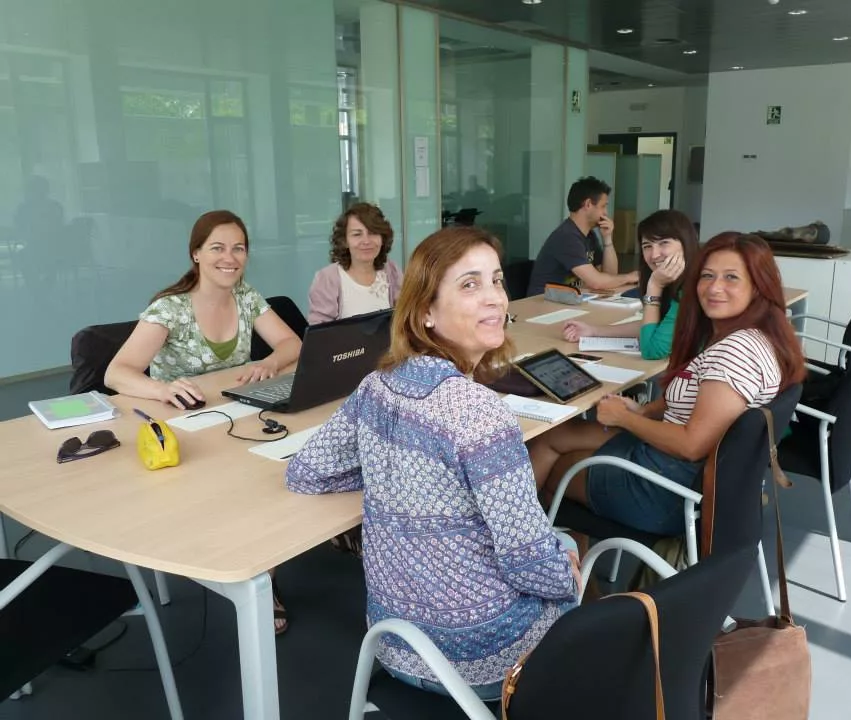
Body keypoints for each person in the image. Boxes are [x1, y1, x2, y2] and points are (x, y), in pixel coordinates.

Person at [286, 227, 579, 701]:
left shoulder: (376, 386)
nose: (494, 299)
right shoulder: (482, 415)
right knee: (563, 549)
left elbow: (306, 472)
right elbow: (528, 562)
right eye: (469, 285)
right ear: (425, 312)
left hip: (392, 644)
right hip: (482, 665)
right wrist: (568, 572)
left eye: (497, 281)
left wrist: (396, 469)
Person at [527, 233, 806, 536]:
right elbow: (696, 408)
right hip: (676, 467)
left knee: (554, 468)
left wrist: (625, 418)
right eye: (707, 276)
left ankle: (535, 561)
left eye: (731, 278)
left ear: (757, 287)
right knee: (553, 437)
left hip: (668, 488)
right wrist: (644, 412)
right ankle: (565, 568)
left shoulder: (734, 353)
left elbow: (691, 445)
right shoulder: (757, 335)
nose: (714, 288)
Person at [105, 210, 302, 634]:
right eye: (217, 247)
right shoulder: (170, 309)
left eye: (239, 248)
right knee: (254, 484)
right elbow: (116, 373)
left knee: (279, 458)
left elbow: (292, 343)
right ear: (196, 254)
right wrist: (162, 389)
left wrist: (269, 362)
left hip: (229, 417)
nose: (229, 257)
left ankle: (271, 556)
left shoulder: (247, 296)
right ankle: (263, 580)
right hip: (182, 424)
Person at [560, 209, 699, 360]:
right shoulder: (674, 281)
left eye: (664, 243)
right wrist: (594, 331)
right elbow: (654, 326)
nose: (654, 254)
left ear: (685, 243)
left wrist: (654, 287)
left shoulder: (691, 288)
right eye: (647, 246)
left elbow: (652, 351)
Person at [527, 176, 639, 296]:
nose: (605, 213)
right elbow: (596, 282)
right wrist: (629, 277)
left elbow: (609, 275)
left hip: (569, 300)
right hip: (544, 304)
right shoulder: (567, 237)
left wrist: (607, 239)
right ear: (588, 204)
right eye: (603, 206)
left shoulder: (588, 235)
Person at [307, 203, 403, 325]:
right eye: (357, 234)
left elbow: (404, 316)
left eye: (373, 233)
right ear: (344, 241)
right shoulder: (327, 278)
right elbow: (319, 332)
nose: (366, 241)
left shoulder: (392, 270)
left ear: (383, 238)